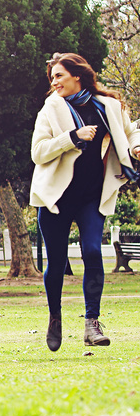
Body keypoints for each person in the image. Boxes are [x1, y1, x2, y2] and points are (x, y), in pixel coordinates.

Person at [30, 52, 140, 352]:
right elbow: (38, 152)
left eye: (59, 76)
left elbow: (129, 134)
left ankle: (92, 322)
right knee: (55, 263)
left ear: (77, 76)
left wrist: (137, 148)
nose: (54, 82)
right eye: (52, 78)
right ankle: (55, 317)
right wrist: (72, 137)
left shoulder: (109, 106)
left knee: (92, 251)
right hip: (57, 198)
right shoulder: (50, 109)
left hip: (92, 195)